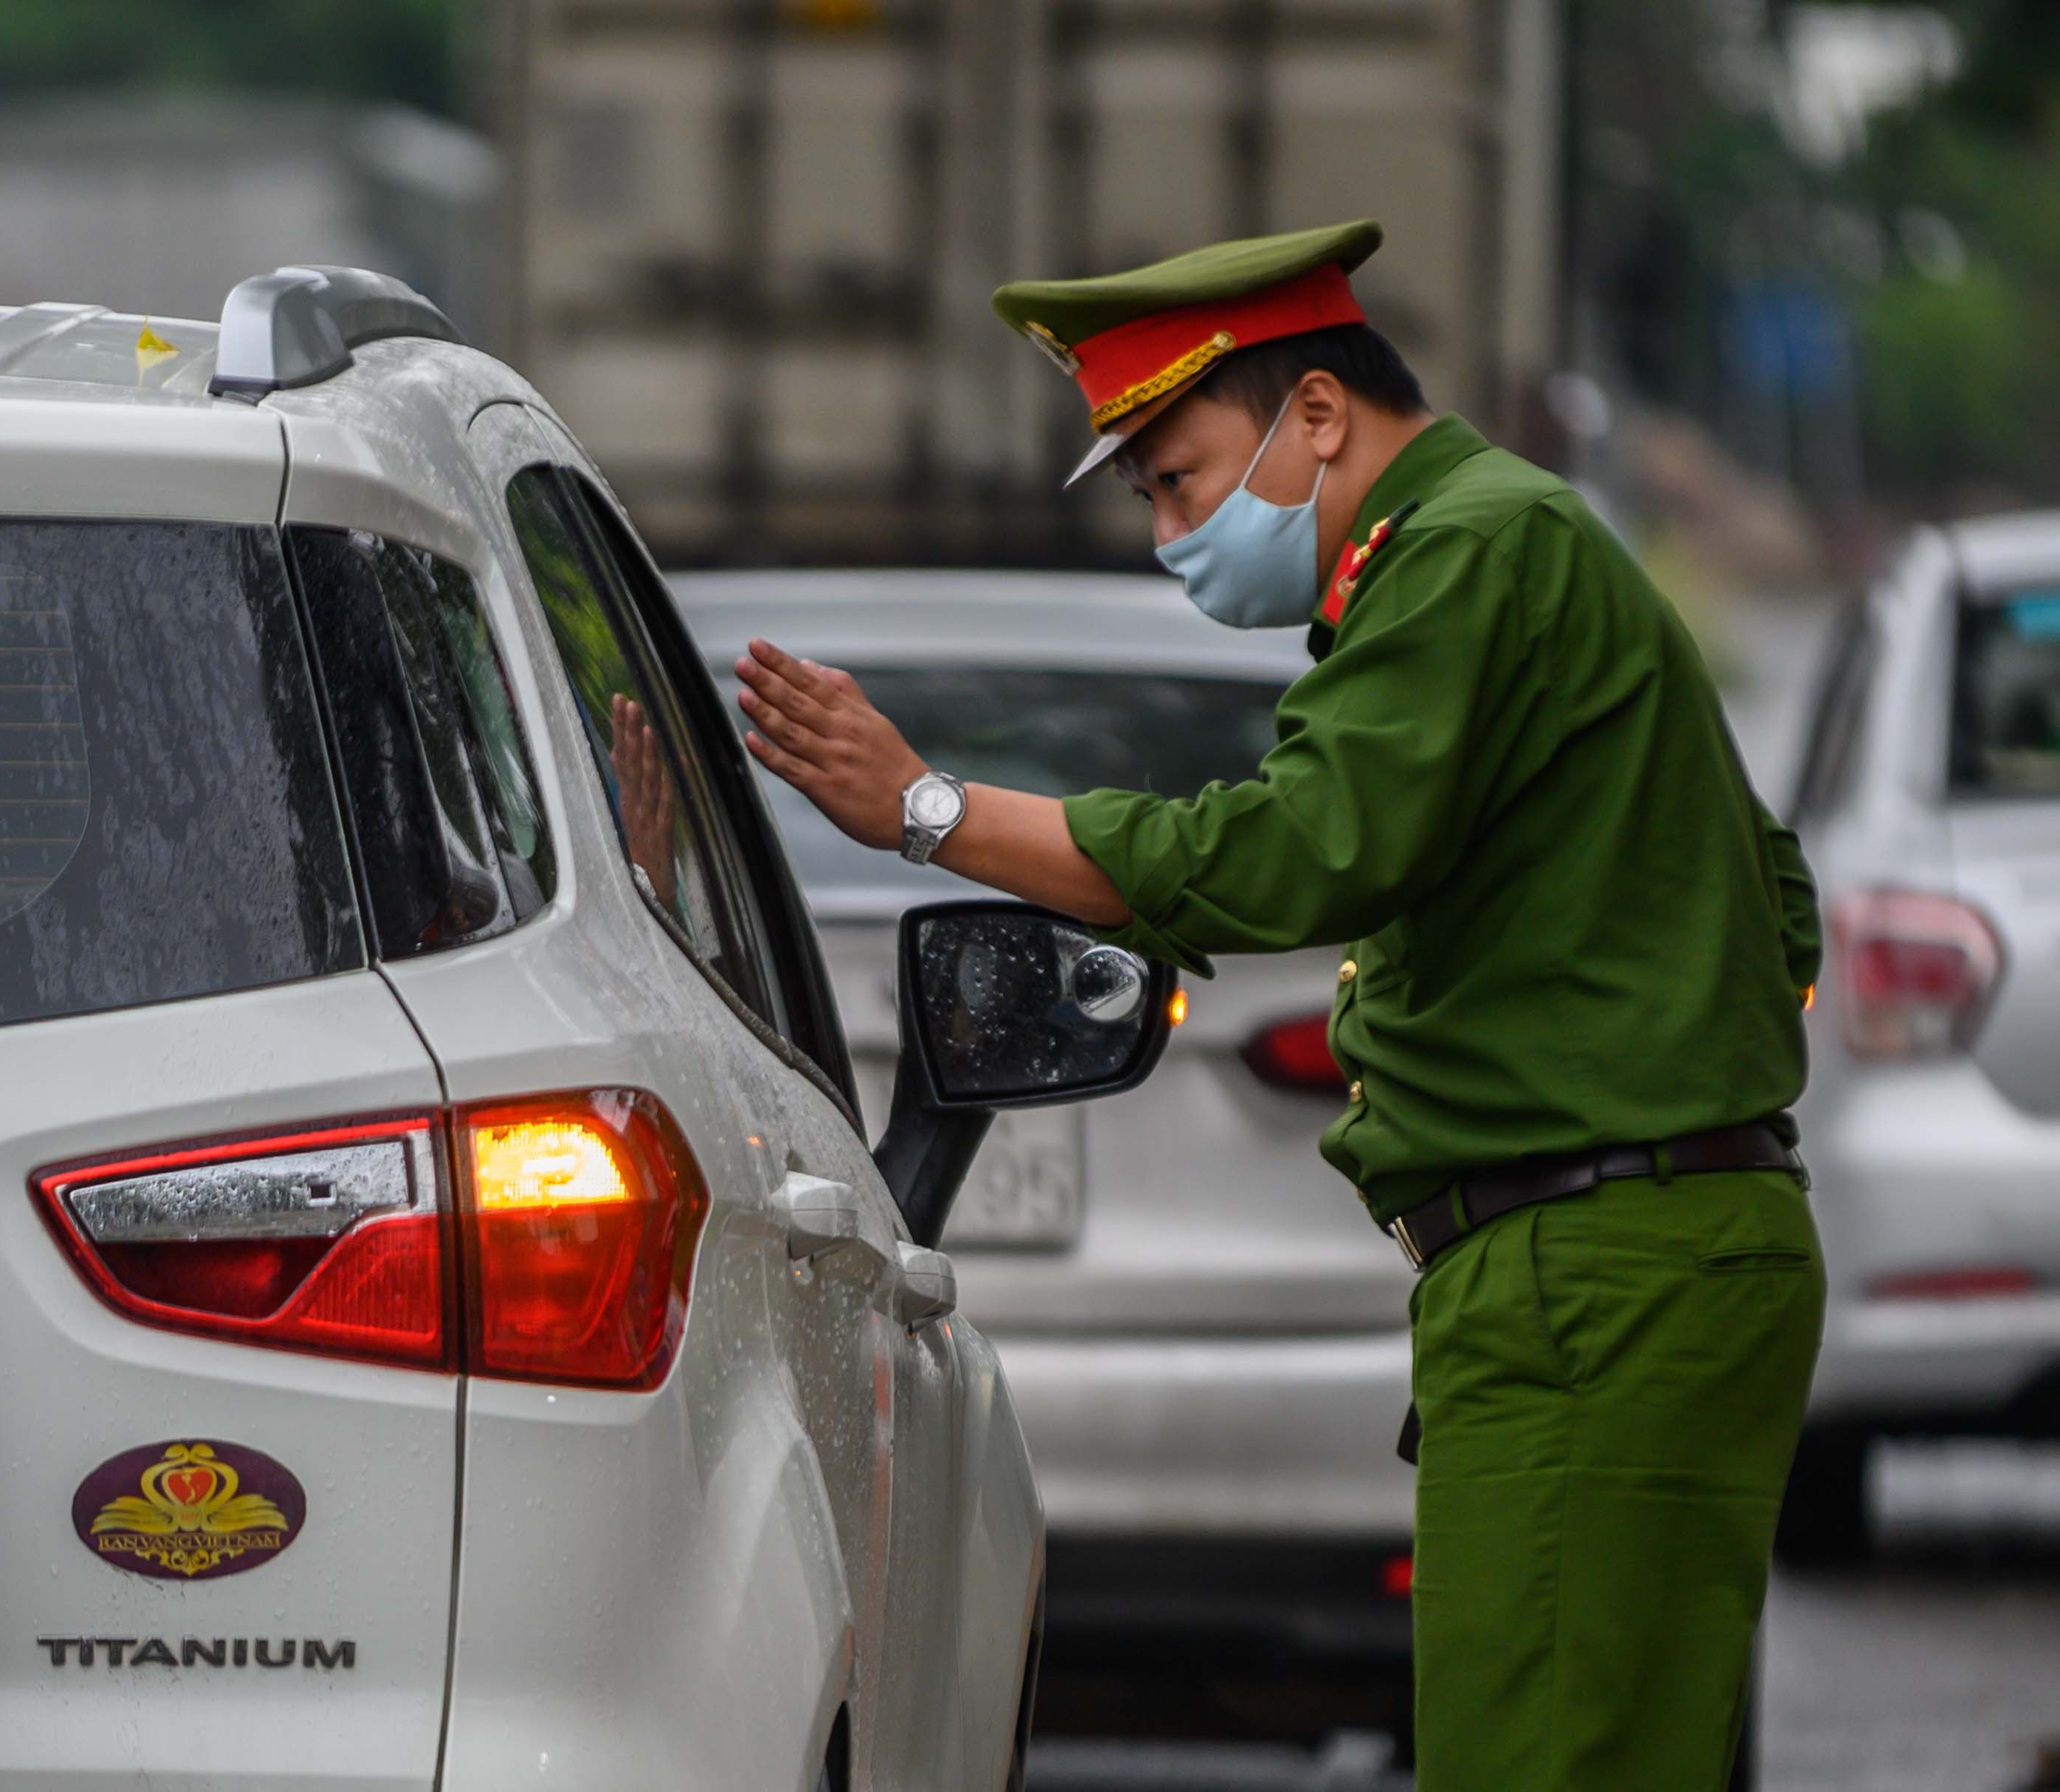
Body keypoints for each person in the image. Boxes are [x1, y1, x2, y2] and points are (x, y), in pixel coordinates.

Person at [731, 219, 1824, 1791]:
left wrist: (926, 811)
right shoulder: (1494, 551)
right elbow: (1770, 898)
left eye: (1176, 477)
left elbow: (1291, 853)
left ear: (1316, 414)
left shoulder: (1466, 553)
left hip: (1599, 1274)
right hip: (1620, 1258)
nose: (1170, 528)